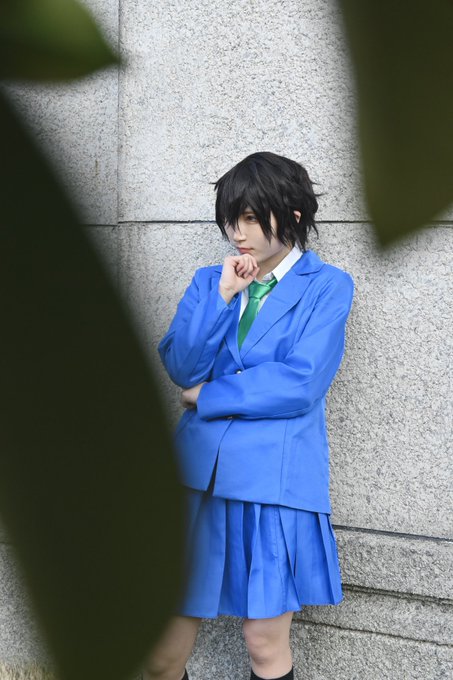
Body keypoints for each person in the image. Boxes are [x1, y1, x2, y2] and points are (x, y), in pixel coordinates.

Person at [143, 151, 355, 680]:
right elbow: (181, 366)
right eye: (231, 219)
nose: (238, 233)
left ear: (294, 215)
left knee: (263, 643)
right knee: (163, 653)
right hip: (195, 479)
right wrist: (222, 296)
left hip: (273, 482)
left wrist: (207, 397)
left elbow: (301, 382)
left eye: (252, 218)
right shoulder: (208, 282)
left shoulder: (328, 286)